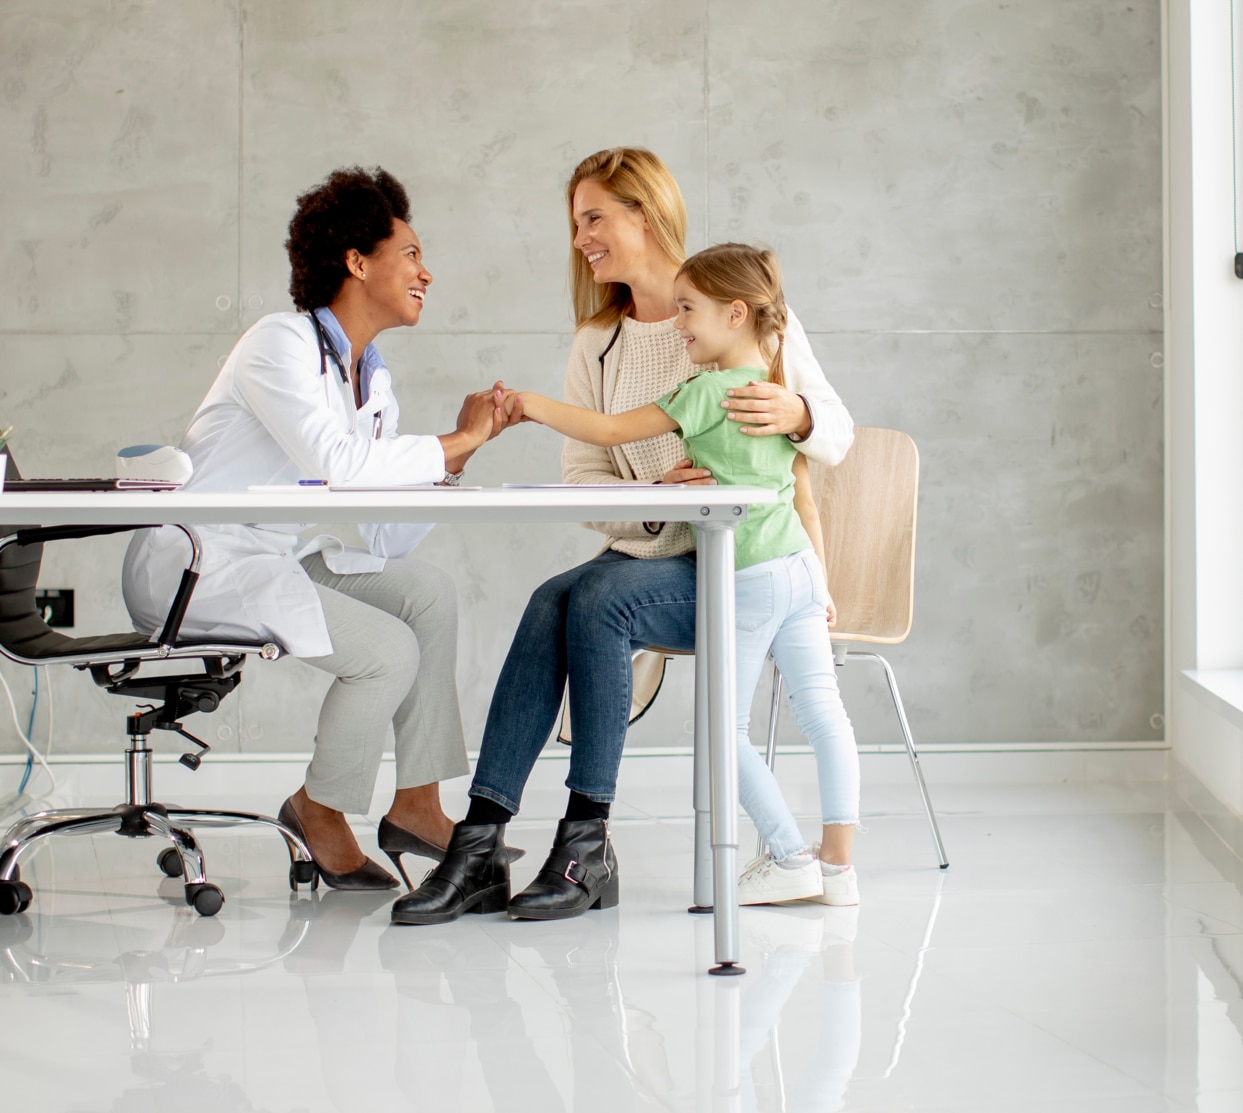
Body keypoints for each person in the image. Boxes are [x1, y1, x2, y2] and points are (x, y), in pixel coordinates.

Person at [391, 149, 854, 927]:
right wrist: (651, 500)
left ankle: (585, 843)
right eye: (575, 223)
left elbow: (834, 433)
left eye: (594, 217)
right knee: (551, 599)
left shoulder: (733, 308)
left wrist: (798, 415)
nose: (581, 238)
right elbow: (584, 477)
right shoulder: (596, 343)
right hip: (659, 552)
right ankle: (478, 843)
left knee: (598, 599)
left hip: (737, 566)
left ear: (644, 213)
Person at [122, 166, 520, 891]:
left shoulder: (372, 376)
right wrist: (454, 441)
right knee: (384, 652)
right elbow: (338, 463)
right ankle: (318, 806)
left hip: (272, 554)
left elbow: (382, 531)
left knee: (425, 594)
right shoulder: (278, 342)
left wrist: (458, 459)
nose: (426, 272)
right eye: (410, 254)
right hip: (198, 563)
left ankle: (418, 805)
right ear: (357, 261)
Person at [512, 243, 859, 906]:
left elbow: (609, 430)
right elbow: (803, 493)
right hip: (799, 569)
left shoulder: (704, 393)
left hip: (748, 578)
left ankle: (788, 854)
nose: (677, 324)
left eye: (688, 310)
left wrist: (531, 404)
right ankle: (838, 867)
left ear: (735, 314)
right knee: (823, 713)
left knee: (722, 731)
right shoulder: (778, 394)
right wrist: (821, 582)